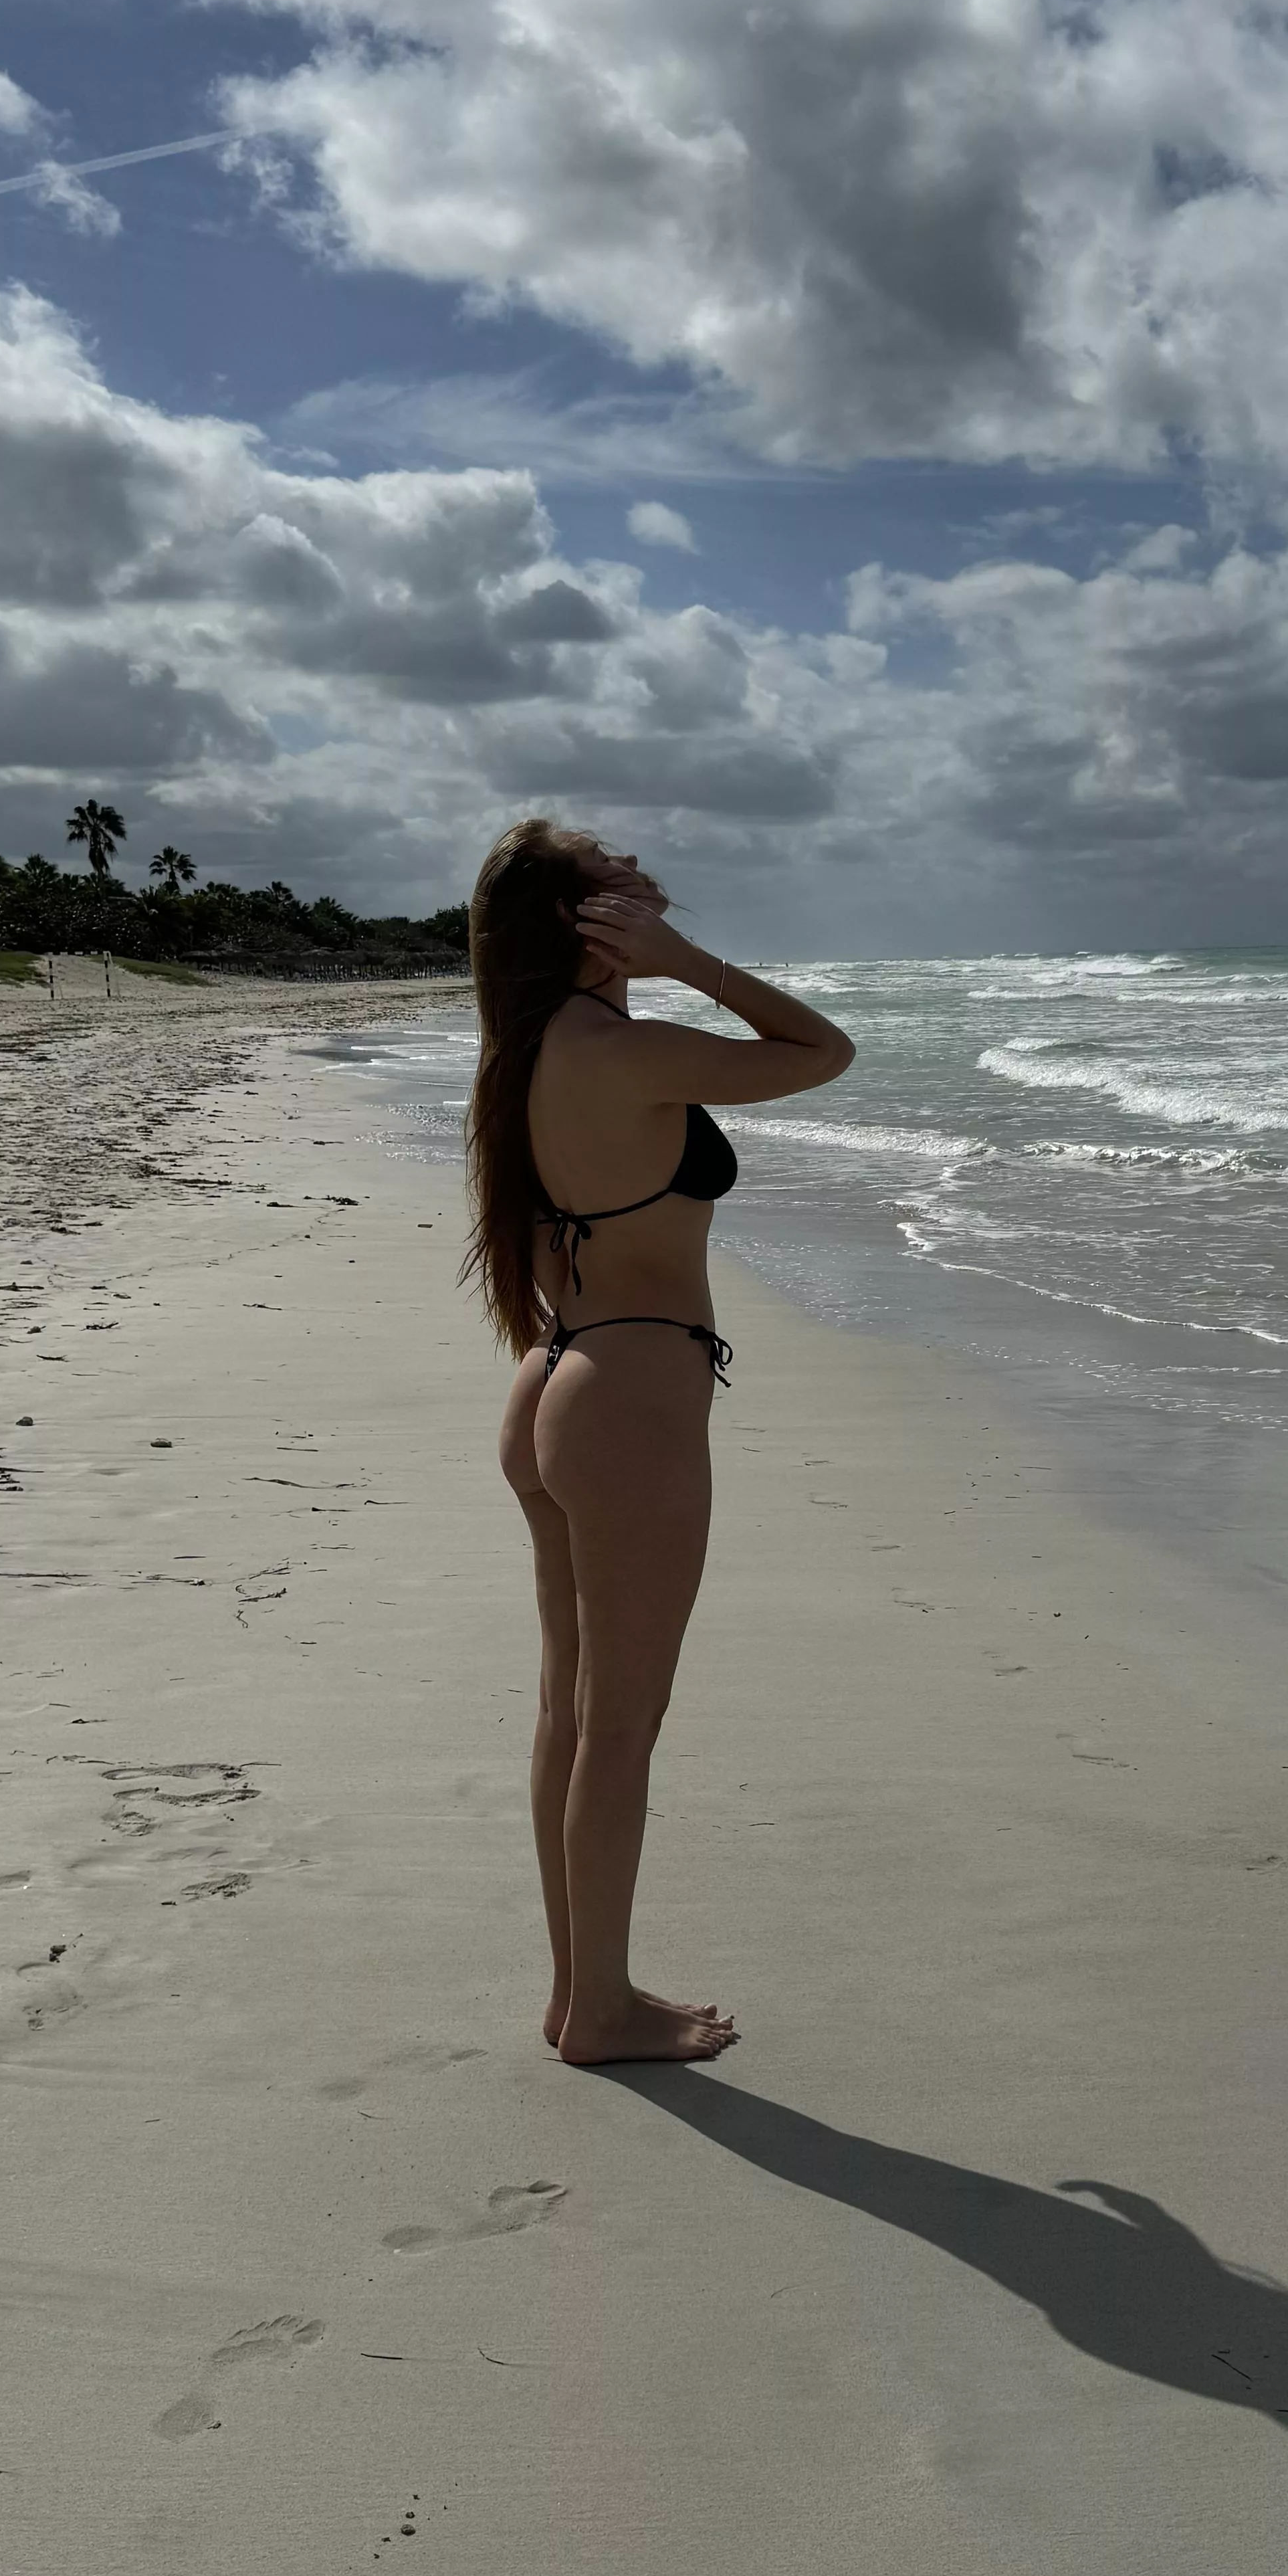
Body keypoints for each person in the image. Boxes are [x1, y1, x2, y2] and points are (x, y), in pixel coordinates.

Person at [463, 822, 854, 2064]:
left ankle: (581, 1990)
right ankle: (601, 2011)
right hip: (627, 1393)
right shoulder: (621, 1051)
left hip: (554, 1383)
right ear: (582, 921)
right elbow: (821, 1051)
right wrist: (692, 962)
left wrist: (657, 955)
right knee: (618, 1723)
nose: (638, 872)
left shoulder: (524, 1056)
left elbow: (538, 1247)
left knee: (568, 1713)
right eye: (612, 876)